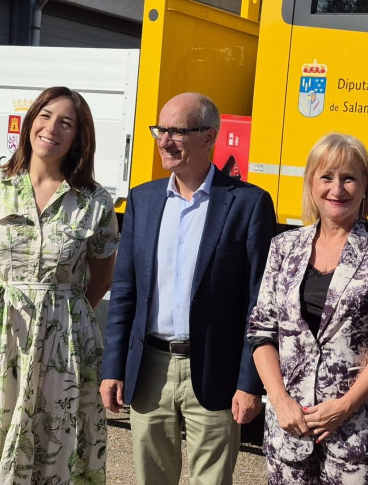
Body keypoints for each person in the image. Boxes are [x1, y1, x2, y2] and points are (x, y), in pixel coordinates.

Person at [0, 86, 120, 484]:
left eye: (66, 123)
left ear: (78, 138)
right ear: (30, 122)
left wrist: (64, 315)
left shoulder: (94, 201)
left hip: (65, 347)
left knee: (56, 440)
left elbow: (103, 275)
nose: (51, 128)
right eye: (45, 116)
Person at [100, 91, 277, 484]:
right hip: (150, 370)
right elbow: (125, 292)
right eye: (160, 130)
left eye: (177, 131)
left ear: (209, 136)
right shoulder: (144, 200)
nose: (164, 141)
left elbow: (260, 303)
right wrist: (112, 367)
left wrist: (249, 383)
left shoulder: (248, 204)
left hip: (215, 369)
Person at [247, 133, 368, 484]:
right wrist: (279, 400)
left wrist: (344, 406)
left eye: (349, 178)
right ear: (311, 183)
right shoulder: (284, 247)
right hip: (290, 430)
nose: (337, 189)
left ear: (366, 186)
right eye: (326, 177)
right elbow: (262, 330)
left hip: (359, 435)